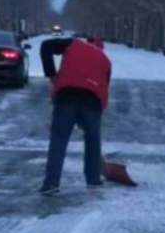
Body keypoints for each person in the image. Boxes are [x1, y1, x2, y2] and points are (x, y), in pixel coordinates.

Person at [40, 35, 112, 194]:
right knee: (93, 141)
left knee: (59, 140)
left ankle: (51, 184)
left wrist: (51, 75)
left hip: (66, 96)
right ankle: (93, 180)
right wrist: (93, 116)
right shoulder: (106, 61)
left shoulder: (73, 43)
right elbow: (104, 91)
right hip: (92, 102)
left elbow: (45, 46)